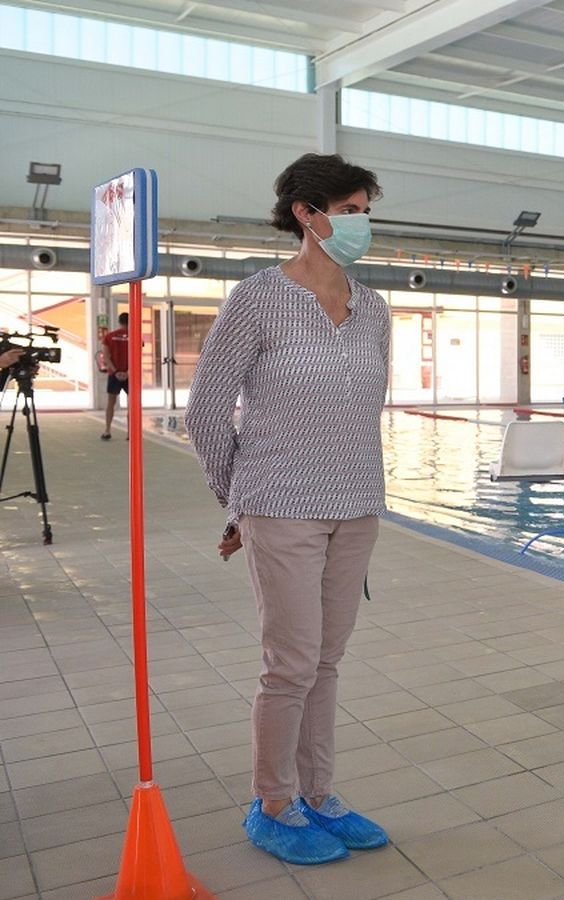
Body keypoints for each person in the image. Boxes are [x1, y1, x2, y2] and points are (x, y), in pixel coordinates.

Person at [186, 153, 391, 866]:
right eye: (349, 209)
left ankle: (319, 793)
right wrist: (240, 502)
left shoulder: (375, 309)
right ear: (307, 215)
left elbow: (365, 409)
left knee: (327, 660)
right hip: (282, 507)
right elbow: (207, 411)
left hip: (358, 505)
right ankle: (273, 800)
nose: (361, 222)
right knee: (291, 663)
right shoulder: (257, 298)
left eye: (366, 210)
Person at [100, 312, 130, 440]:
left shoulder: (109, 337)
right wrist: (128, 372)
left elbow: (106, 357)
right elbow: (137, 357)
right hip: (130, 375)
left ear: (119, 321)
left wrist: (116, 371)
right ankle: (130, 433)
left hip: (114, 374)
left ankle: (107, 430)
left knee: (111, 403)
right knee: (132, 405)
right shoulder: (135, 336)